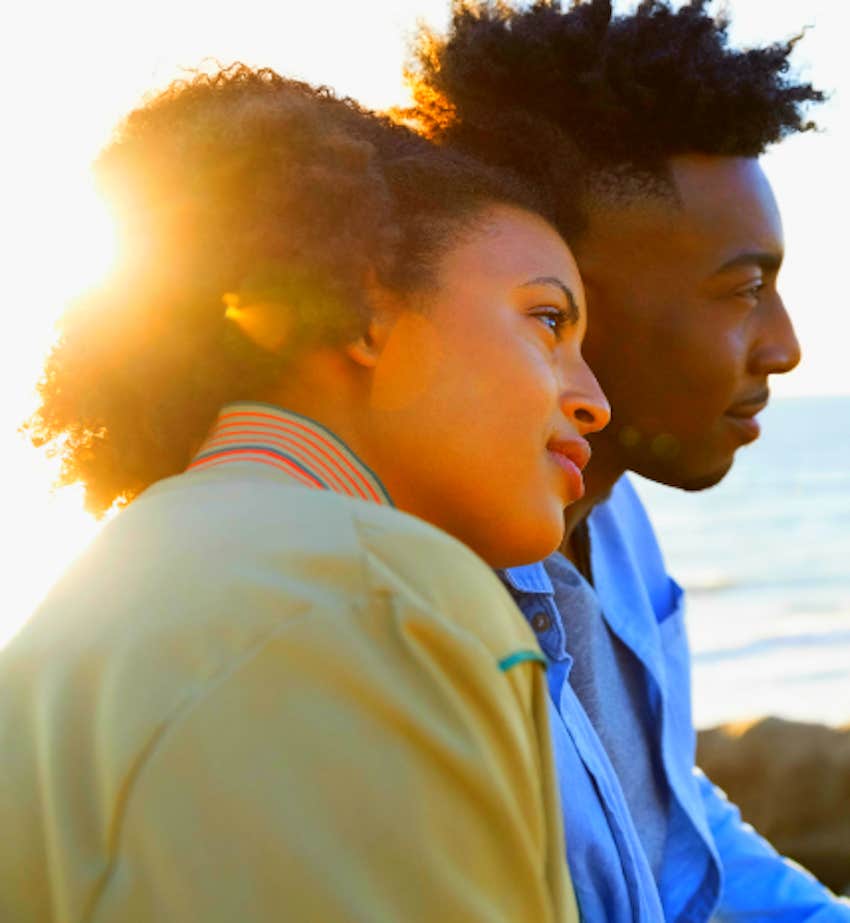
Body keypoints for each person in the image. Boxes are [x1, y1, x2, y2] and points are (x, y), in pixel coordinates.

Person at [1, 66, 610, 922]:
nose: (593, 397)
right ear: (366, 310)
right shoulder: (375, 595)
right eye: (549, 320)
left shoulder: (103, 589)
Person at [405, 1, 850, 920]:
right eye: (744, 288)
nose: (787, 346)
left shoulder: (613, 517)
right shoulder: (422, 611)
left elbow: (675, 837)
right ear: (568, 302)